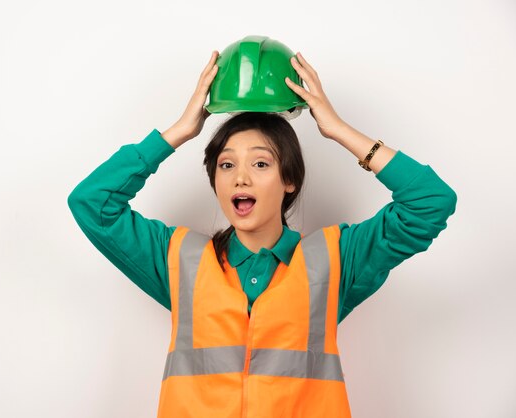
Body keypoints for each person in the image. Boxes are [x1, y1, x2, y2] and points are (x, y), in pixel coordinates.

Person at [67, 50, 457, 417]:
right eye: (225, 164)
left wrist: (337, 130)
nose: (240, 176)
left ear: (289, 179)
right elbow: (91, 202)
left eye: (260, 163)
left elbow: (430, 201)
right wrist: (179, 132)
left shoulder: (336, 260)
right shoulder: (178, 258)